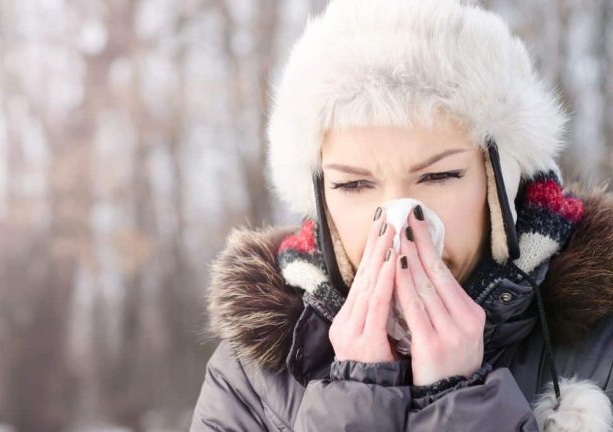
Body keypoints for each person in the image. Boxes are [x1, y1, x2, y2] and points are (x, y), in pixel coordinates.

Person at [190, 0, 613, 431]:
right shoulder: (250, 377)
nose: (400, 224)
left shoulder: (601, 347)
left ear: (500, 184)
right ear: (320, 199)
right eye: (354, 185)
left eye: (440, 175)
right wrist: (355, 398)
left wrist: (461, 400)